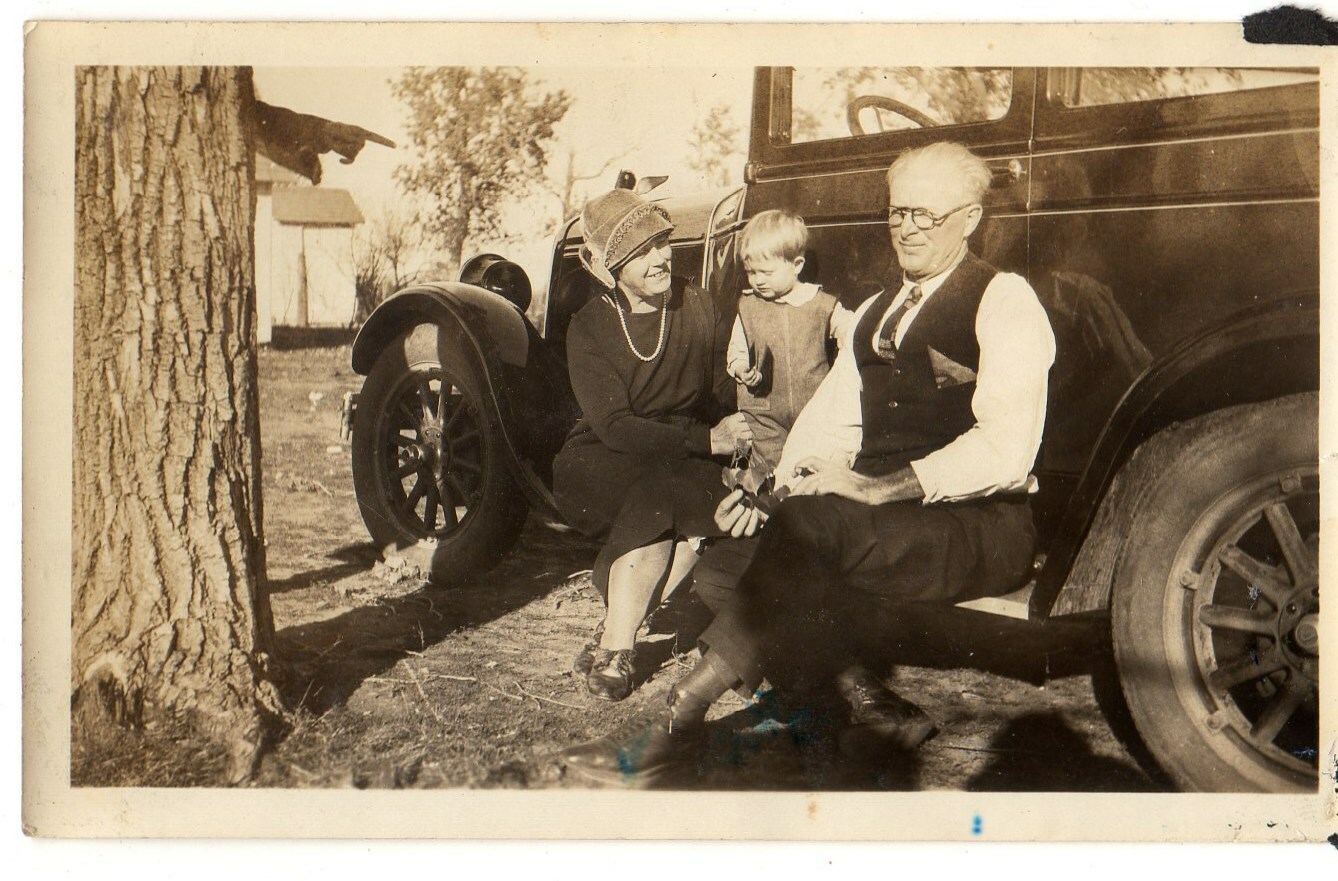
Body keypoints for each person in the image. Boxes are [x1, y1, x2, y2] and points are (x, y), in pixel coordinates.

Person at [560, 142, 1057, 785]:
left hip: (976, 521)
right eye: (898, 212)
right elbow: (827, 428)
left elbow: (1007, 449)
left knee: (807, 537)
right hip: (879, 520)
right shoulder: (876, 314)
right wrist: (769, 495)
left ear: (969, 218)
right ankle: (869, 705)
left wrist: (877, 489)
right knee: (724, 568)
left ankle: (674, 728)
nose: (907, 227)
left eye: (925, 216)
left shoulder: (1002, 299)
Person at [553, 188, 752, 702]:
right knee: (667, 494)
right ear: (612, 267)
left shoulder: (697, 304)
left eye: (662, 242)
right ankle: (620, 643)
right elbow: (616, 426)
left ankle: (614, 638)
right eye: (642, 251)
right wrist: (707, 441)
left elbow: (715, 396)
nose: (661, 256)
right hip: (601, 457)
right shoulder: (589, 326)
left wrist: (744, 394)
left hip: (679, 454)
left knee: (687, 502)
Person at [725, 209, 854, 468]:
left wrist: (846, 354)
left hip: (814, 412)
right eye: (751, 272)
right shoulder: (748, 306)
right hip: (763, 413)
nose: (758, 280)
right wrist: (742, 369)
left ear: (797, 265)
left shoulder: (822, 305)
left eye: (766, 272)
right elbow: (736, 351)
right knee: (765, 472)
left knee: (807, 469)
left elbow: (854, 333)